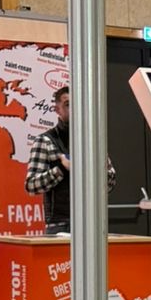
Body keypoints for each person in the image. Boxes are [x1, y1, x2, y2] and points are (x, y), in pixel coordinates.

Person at [25, 84, 114, 234]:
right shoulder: (45, 141)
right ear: (57, 110)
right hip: (60, 225)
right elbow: (31, 185)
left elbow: (110, 184)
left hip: (92, 223)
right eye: (68, 104)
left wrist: (100, 170)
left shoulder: (93, 140)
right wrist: (61, 169)